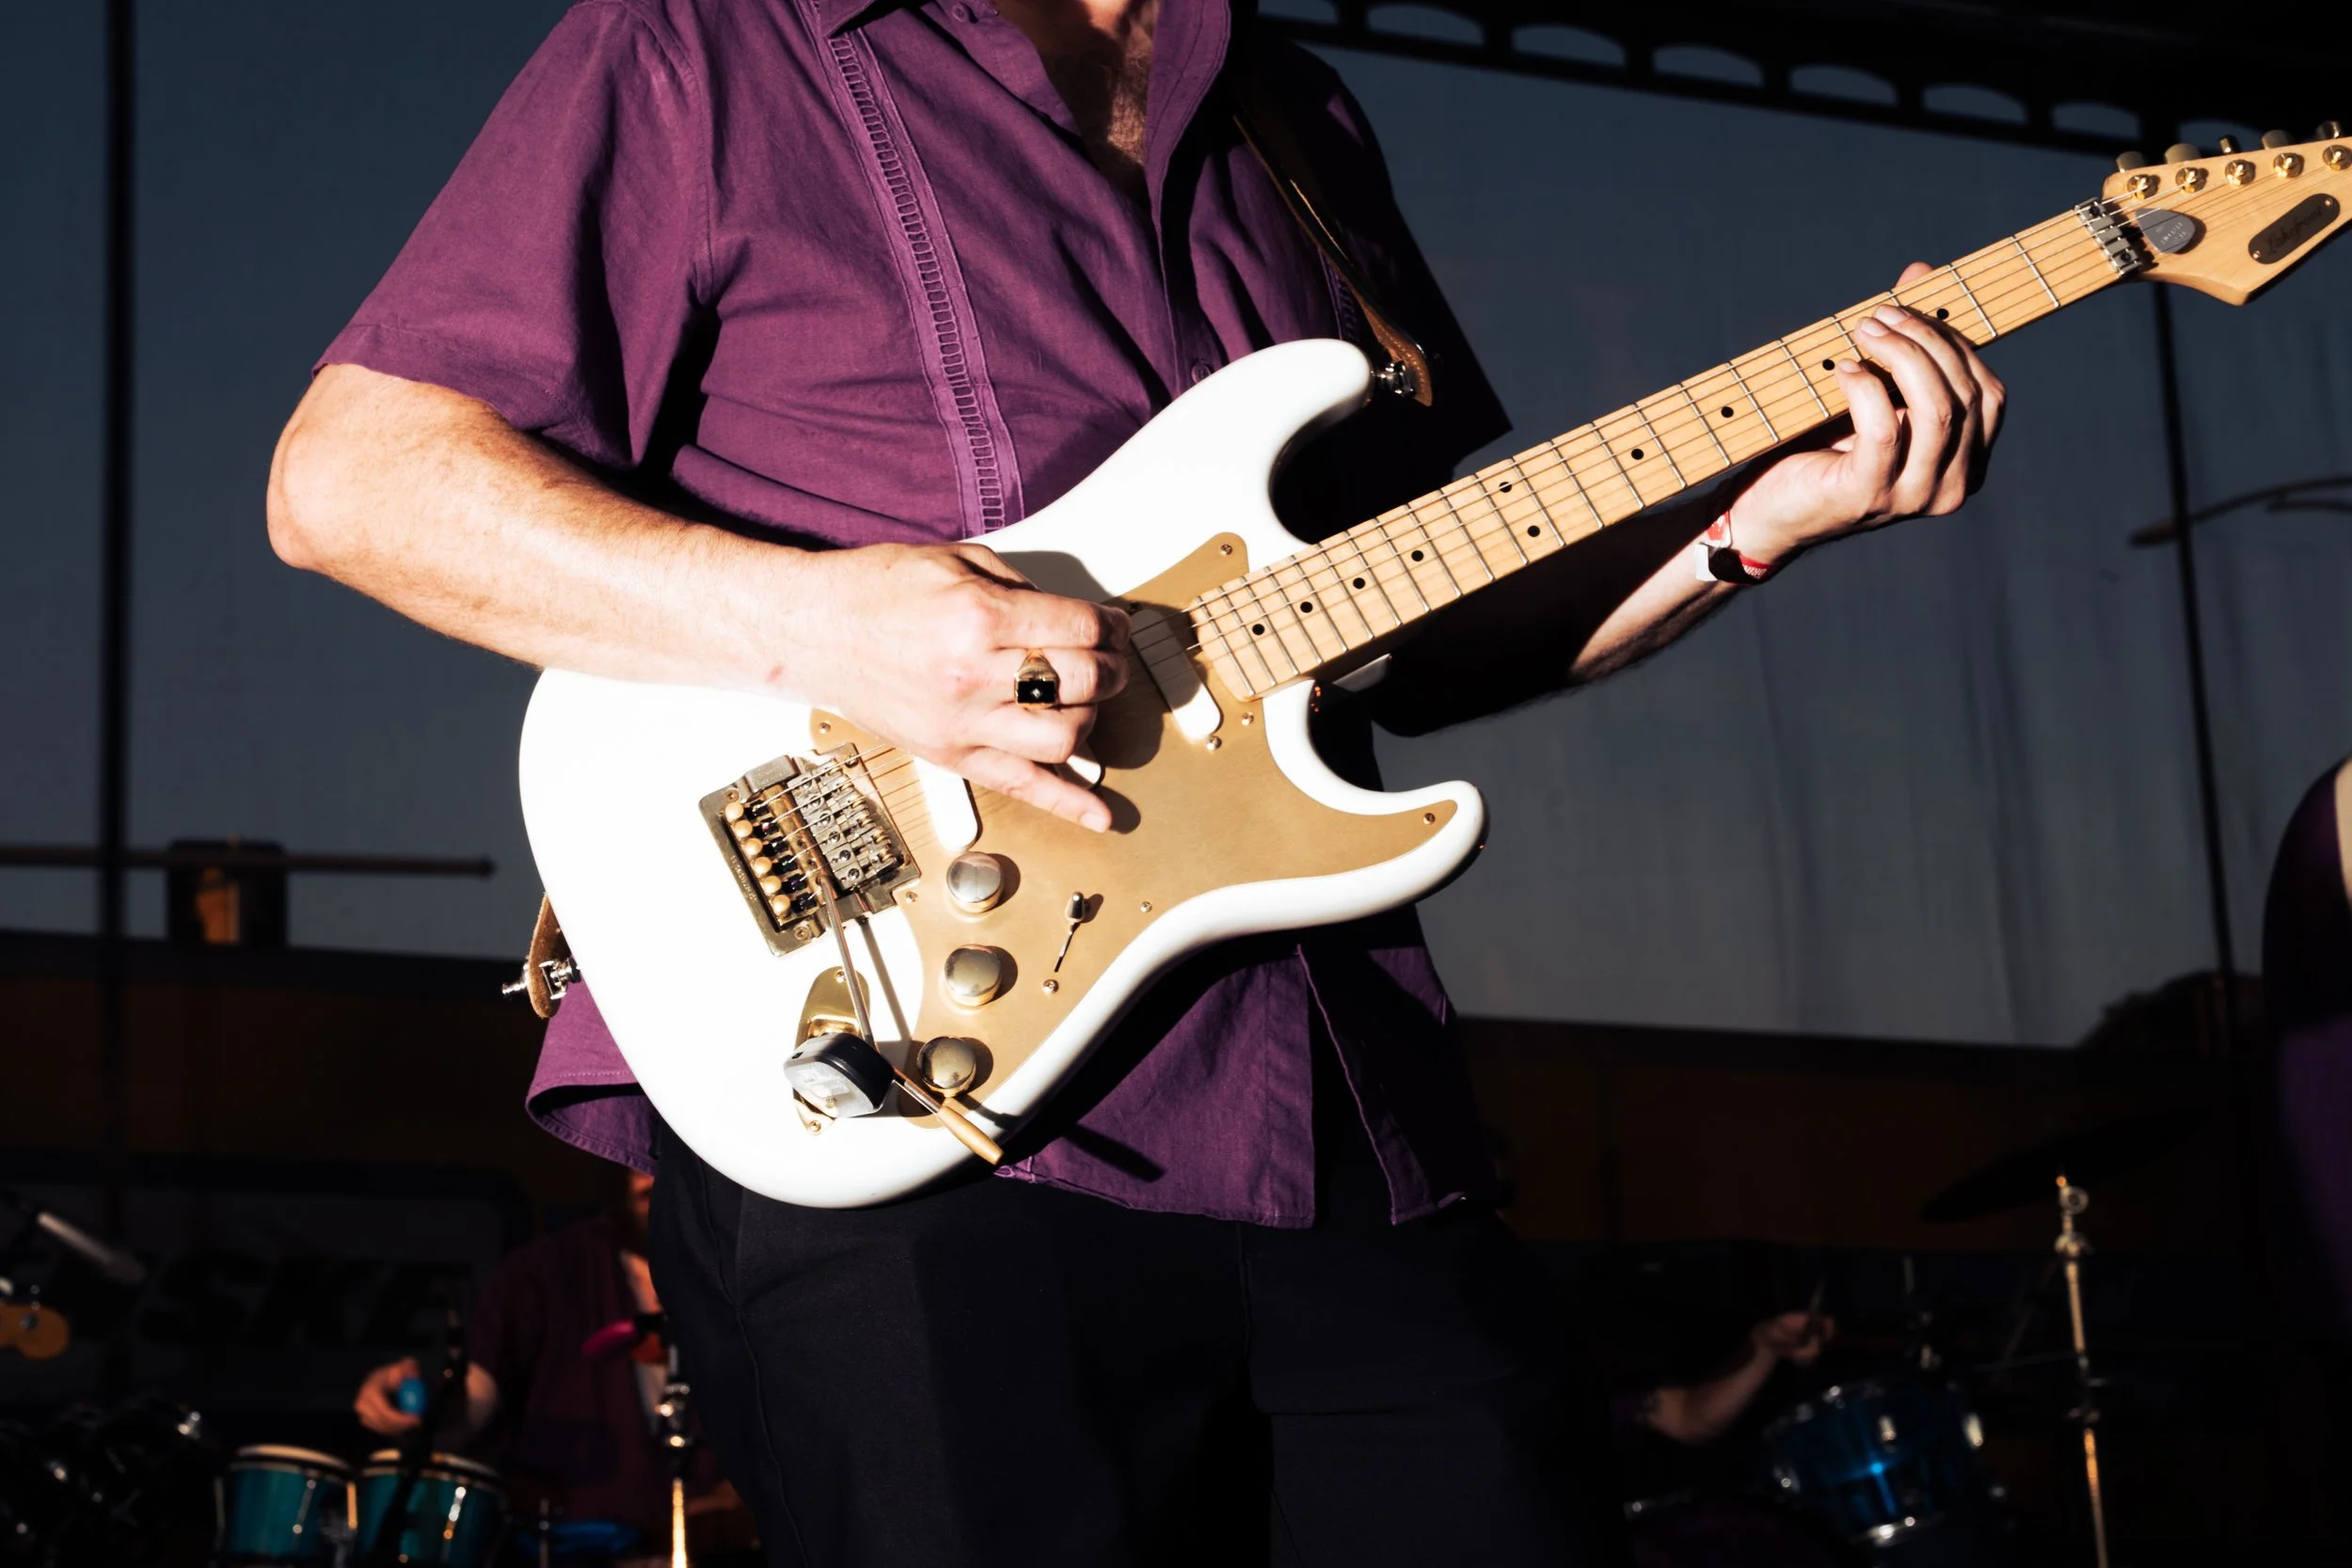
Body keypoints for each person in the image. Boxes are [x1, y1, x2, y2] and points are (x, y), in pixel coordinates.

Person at [264, 0, 2006, 1559]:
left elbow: (1418, 616)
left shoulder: (1291, 117)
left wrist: (1746, 527)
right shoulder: (712, 45)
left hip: (1346, 1124)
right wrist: (821, 626)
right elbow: (352, 482)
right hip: (930, 1119)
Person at [351, 1171, 739, 1558]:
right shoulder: (548, 1269)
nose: (651, 1173)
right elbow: (475, 1396)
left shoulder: (750, 1278)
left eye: (670, 1149)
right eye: (639, 1149)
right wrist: (416, 1410)